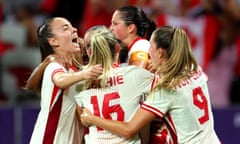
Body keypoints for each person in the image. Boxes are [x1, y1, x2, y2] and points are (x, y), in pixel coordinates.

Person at [79, 26, 221, 144]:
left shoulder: (165, 89)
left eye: (150, 47)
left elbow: (129, 129)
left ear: (159, 52)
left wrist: (92, 119)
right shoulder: (194, 68)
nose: (148, 52)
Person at [25, 17, 103, 144]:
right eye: (66, 28)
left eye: (72, 26)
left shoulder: (76, 70)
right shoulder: (54, 65)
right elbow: (60, 80)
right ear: (54, 41)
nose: (75, 30)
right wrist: (85, 74)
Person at [73, 26, 155, 143]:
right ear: (117, 48)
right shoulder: (135, 75)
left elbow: (83, 119)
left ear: (89, 52)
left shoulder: (79, 81)